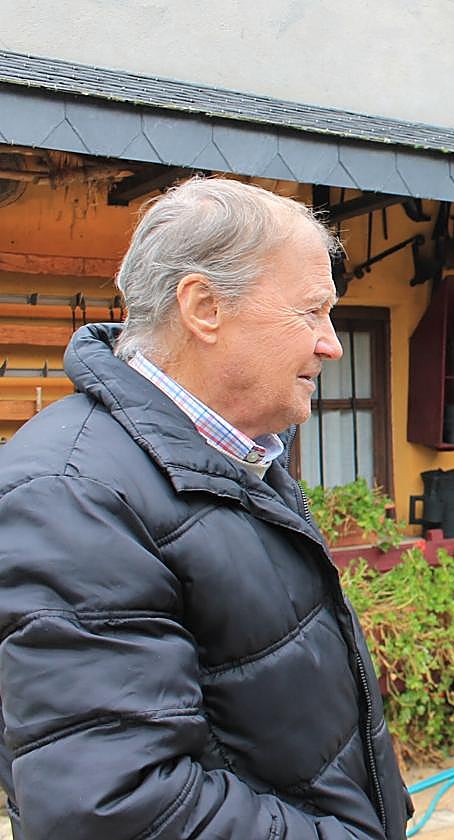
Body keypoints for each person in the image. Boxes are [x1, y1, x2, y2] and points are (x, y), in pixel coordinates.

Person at [0, 178, 412, 838]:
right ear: (204, 307)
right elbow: (117, 812)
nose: (331, 343)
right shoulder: (72, 493)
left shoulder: (232, 452)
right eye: (311, 313)